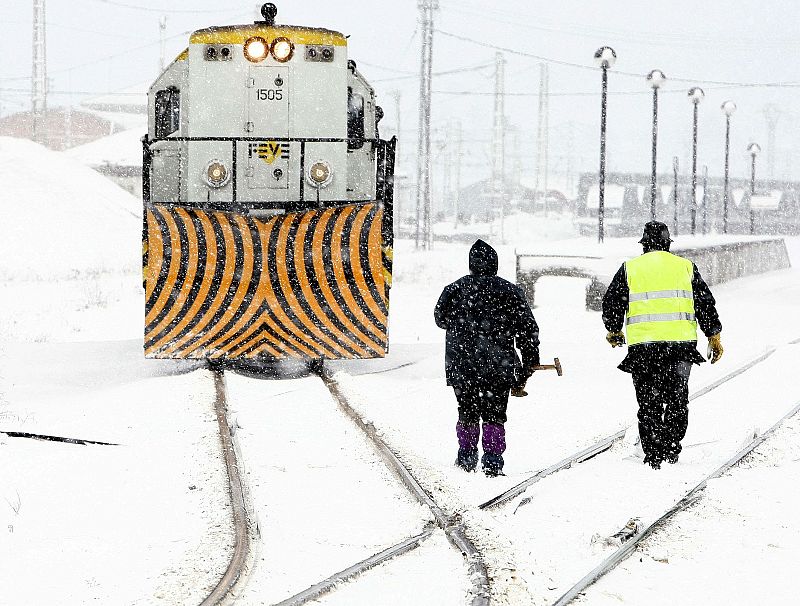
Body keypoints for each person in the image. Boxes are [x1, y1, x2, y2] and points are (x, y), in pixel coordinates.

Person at [602, 221, 723, 470]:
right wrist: (714, 335)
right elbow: (704, 304)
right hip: (680, 349)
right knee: (677, 399)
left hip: (643, 349)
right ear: (668, 244)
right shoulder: (685, 267)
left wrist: (614, 330)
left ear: (644, 244)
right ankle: (671, 447)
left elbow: (612, 302)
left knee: (648, 403)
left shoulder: (630, 268)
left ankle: (653, 453)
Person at [434, 239, 540, 477]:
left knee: (467, 412)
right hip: (498, 367)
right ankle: (492, 463)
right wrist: (529, 362)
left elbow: (440, 319)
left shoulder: (454, 290)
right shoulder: (510, 292)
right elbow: (527, 330)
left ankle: (466, 458)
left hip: (462, 367)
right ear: (495, 264)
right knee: (494, 415)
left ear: (471, 264)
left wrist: (464, 327)